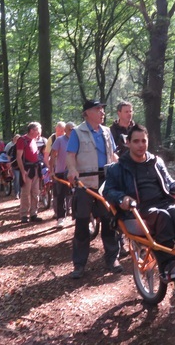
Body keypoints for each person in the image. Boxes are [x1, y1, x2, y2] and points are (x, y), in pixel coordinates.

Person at [103, 123, 175, 280]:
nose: (140, 145)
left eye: (143, 141)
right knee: (162, 216)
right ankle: (169, 265)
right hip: (137, 210)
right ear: (128, 143)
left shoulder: (156, 161)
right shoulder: (117, 168)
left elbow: (170, 182)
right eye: (136, 141)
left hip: (162, 203)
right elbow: (108, 191)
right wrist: (122, 198)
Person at [66, 99, 121, 279]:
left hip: (105, 181)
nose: (102, 112)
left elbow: (113, 154)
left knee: (109, 220)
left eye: (102, 109)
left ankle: (112, 258)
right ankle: (79, 264)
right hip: (85, 182)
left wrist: (122, 166)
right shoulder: (77, 132)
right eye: (98, 109)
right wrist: (72, 170)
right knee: (82, 223)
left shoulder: (106, 132)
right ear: (88, 112)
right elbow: (71, 155)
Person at [16, 122, 46, 224]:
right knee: (25, 193)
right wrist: (22, 171)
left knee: (35, 192)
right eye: (37, 130)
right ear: (32, 130)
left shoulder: (34, 140)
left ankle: (34, 214)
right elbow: (18, 157)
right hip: (27, 170)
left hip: (36, 169)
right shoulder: (22, 140)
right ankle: (24, 215)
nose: (39, 132)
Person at [50, 122, 75, 229]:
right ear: (65, 130)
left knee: (76, 194)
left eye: (74, 129)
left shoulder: (77, 140)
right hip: (61, 171)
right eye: (70, 129)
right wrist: (51, 170)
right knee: (61, 195)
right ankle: (60, 217)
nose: (72, 131)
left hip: (74, 172)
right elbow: (52, 155)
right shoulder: (59, 140)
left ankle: (77, 216)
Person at [5, 134, 21, 199]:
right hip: (15, 166)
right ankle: (17, 193)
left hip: (23, 166)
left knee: (21, 179)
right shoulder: (12, 147)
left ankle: (21, 193)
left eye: (18, 139)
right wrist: (9, 163)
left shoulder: (23, 147)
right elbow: (8, 156)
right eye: (16, 139)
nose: (17, 140)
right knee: (17, 179)